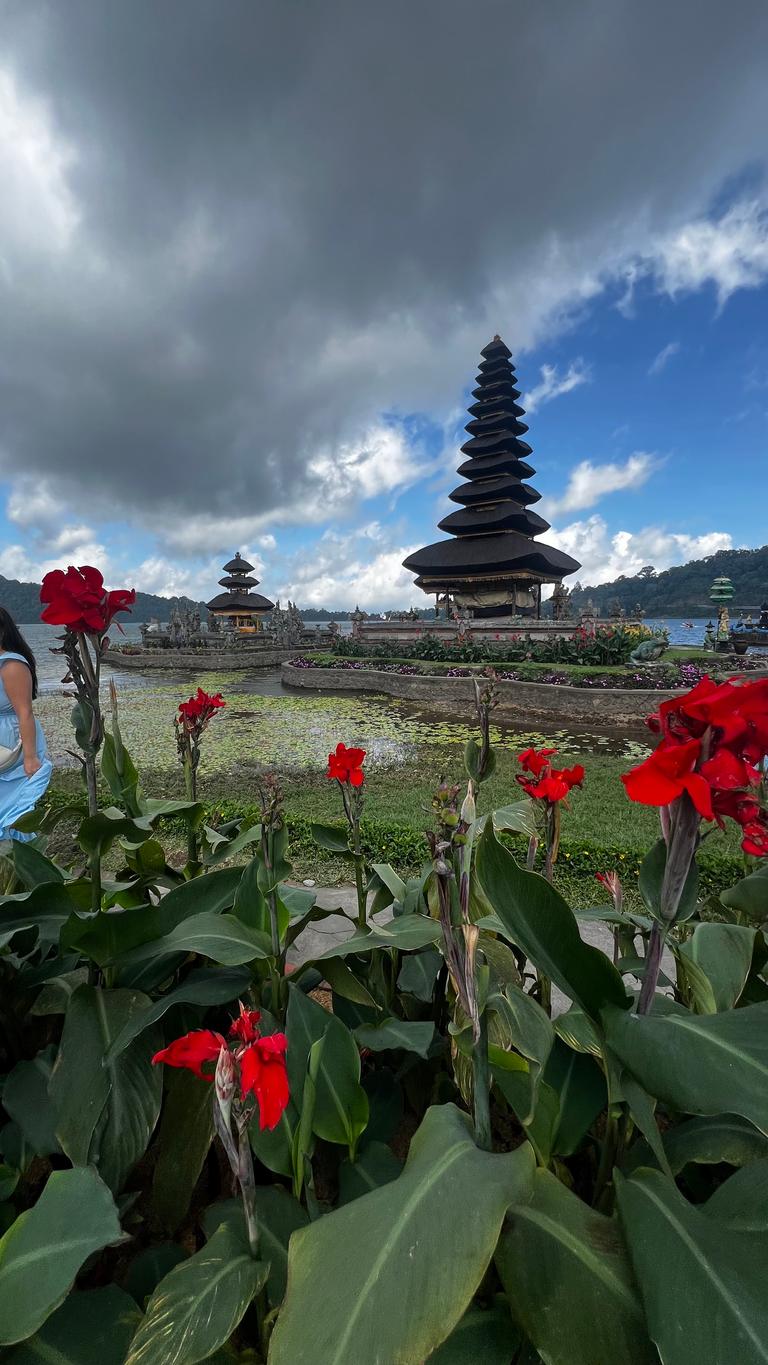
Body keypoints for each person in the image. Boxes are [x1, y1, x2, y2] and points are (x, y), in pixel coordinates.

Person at [0, 607, 52, 842]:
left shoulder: (11, 665)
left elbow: (25, 712)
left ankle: (18, 863)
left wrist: (30, 757)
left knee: (13, 808)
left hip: (12, 742)